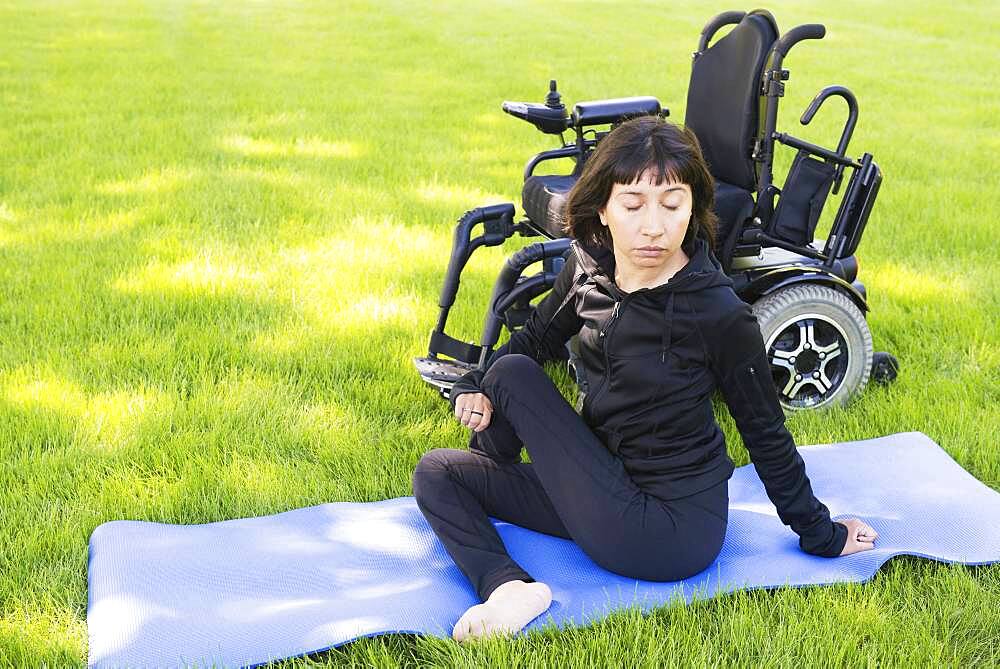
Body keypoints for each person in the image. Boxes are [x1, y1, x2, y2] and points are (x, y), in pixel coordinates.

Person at [411, 116, 878, 643]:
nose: (652, 226)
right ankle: (509, 587)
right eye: (633, 205)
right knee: (439, 472)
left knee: (511, 374)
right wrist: (475, 384)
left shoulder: (719, 313)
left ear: (694, 211)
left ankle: (500, 475)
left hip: (669, 529)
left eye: (671, 204)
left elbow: (765, 432)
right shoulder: (589, 269)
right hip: (598, 482)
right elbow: (537, 337)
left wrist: (821, 532)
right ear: (603, 211)